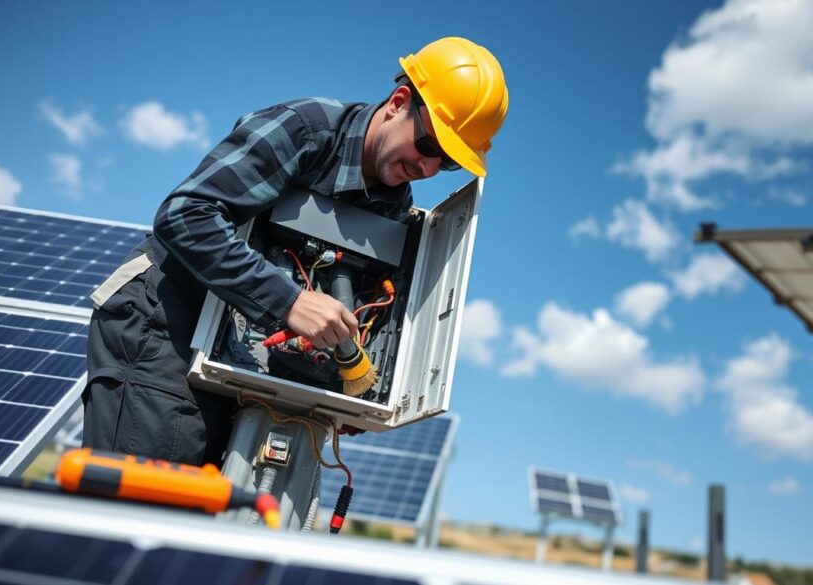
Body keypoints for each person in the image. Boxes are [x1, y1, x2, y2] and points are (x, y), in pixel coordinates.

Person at [81, 37, 509, 465]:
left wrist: (346, 392)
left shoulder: (395, 209)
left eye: (447, 162)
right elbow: (185, 215)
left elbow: (356, 315)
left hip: (241, 367)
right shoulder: (307, 130)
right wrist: (289, 302)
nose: (428, 168)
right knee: (151, 506)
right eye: (429, 146)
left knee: (223, 509)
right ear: (399, 102)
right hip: (165, 322)